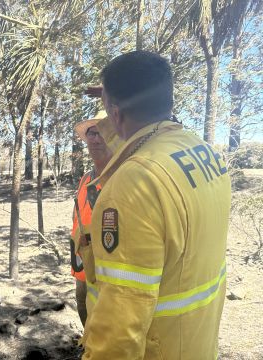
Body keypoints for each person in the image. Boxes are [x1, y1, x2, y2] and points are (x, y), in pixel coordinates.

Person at [82, 51, 231, 359]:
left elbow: (121, 322)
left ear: (116, 113)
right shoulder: (204, 153)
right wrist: (114, 107)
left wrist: (114, 107)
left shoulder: (133, 184)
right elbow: (137, 135)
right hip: (197, 345)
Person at [70, 110, 121, 326]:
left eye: (103, 132)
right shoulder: (85, 179)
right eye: (92, 132)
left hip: (111, 270)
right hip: (84, 264)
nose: (96, 138)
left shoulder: (123, 177)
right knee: (83, 305)